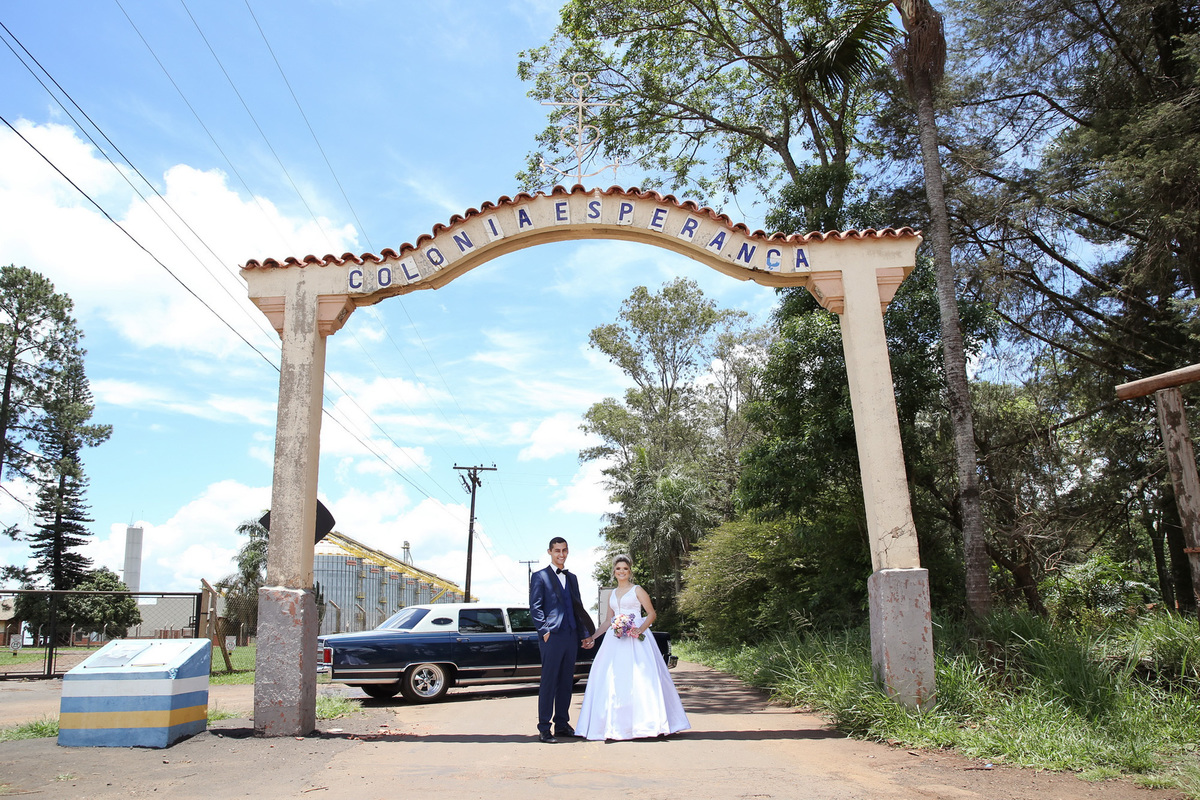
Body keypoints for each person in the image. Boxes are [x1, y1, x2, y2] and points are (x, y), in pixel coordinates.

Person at [576, 554, 690, 741]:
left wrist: (639, 629)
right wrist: (593, 637)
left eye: (625, 569)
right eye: (618, 569)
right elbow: (608, 621)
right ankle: (615, 726)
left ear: (630, 571)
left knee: (641, 678)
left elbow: (651, 614)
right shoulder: (612, 594)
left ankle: (647, 725)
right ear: (614, 571)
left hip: (636, 639)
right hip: (615, 639)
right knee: (613, 677)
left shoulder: (637, 590)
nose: (621, 572)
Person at [529, 536, 596, 743]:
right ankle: (544, 728)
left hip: (571, 635)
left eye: (564, 550)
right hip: (552, 636)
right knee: (549, 682)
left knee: (566, 681)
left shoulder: (572, 578)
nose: (561, 554)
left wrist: (584, 634)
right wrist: (544, 631)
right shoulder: (540, 576)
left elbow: (577, 607)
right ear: (549, 552)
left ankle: (562, 724)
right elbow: (535, 607)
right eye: (557, 550)